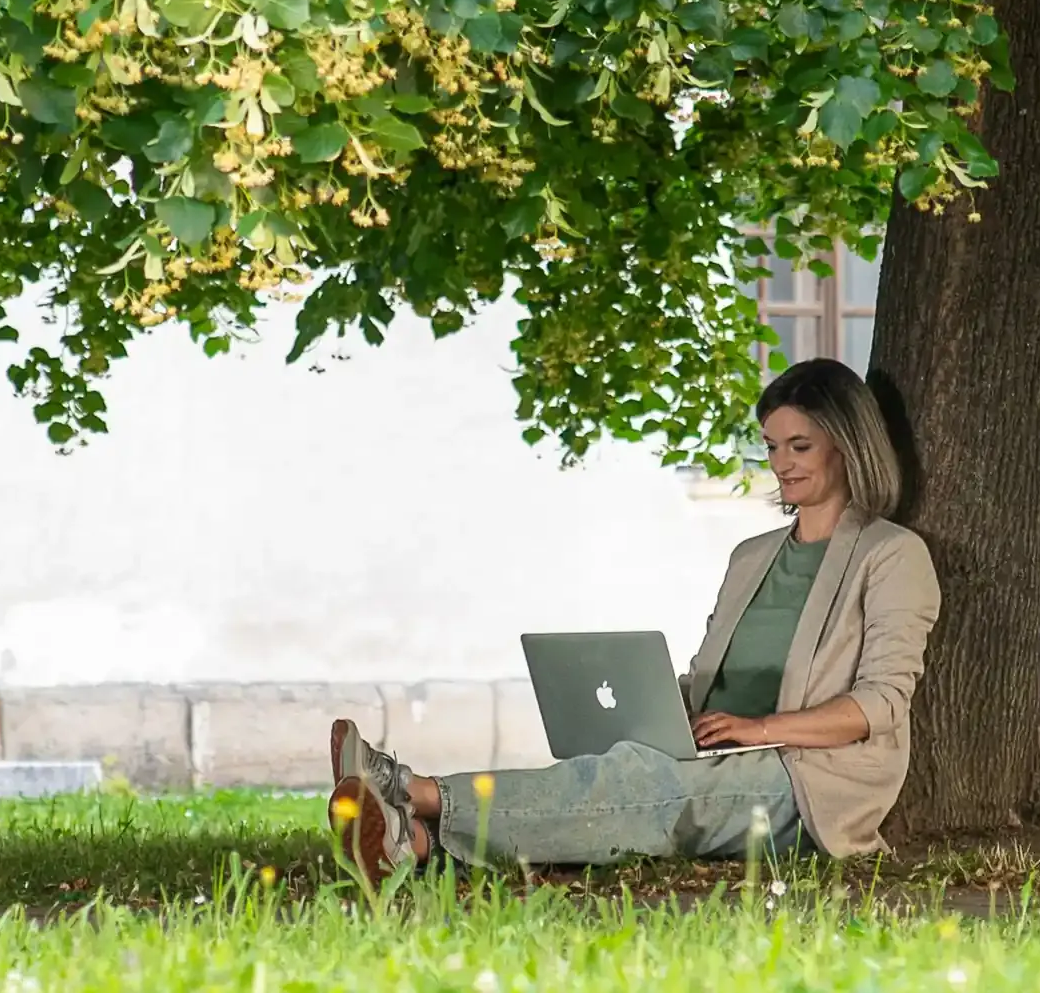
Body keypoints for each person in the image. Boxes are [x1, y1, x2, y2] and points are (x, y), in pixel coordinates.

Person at [326, 358, 940, 873]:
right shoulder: (753, 557)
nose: (781, 463)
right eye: (773, 446)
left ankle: (411, 791)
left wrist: (758, 729)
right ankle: (416, 845)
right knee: (625, 778)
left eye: (800, 446)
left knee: (650, 789)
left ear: (848, 445)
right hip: (713, 752)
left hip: (812, 782)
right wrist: (654, 706)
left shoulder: (891, 555)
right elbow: (707, 680)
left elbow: (881, 705)